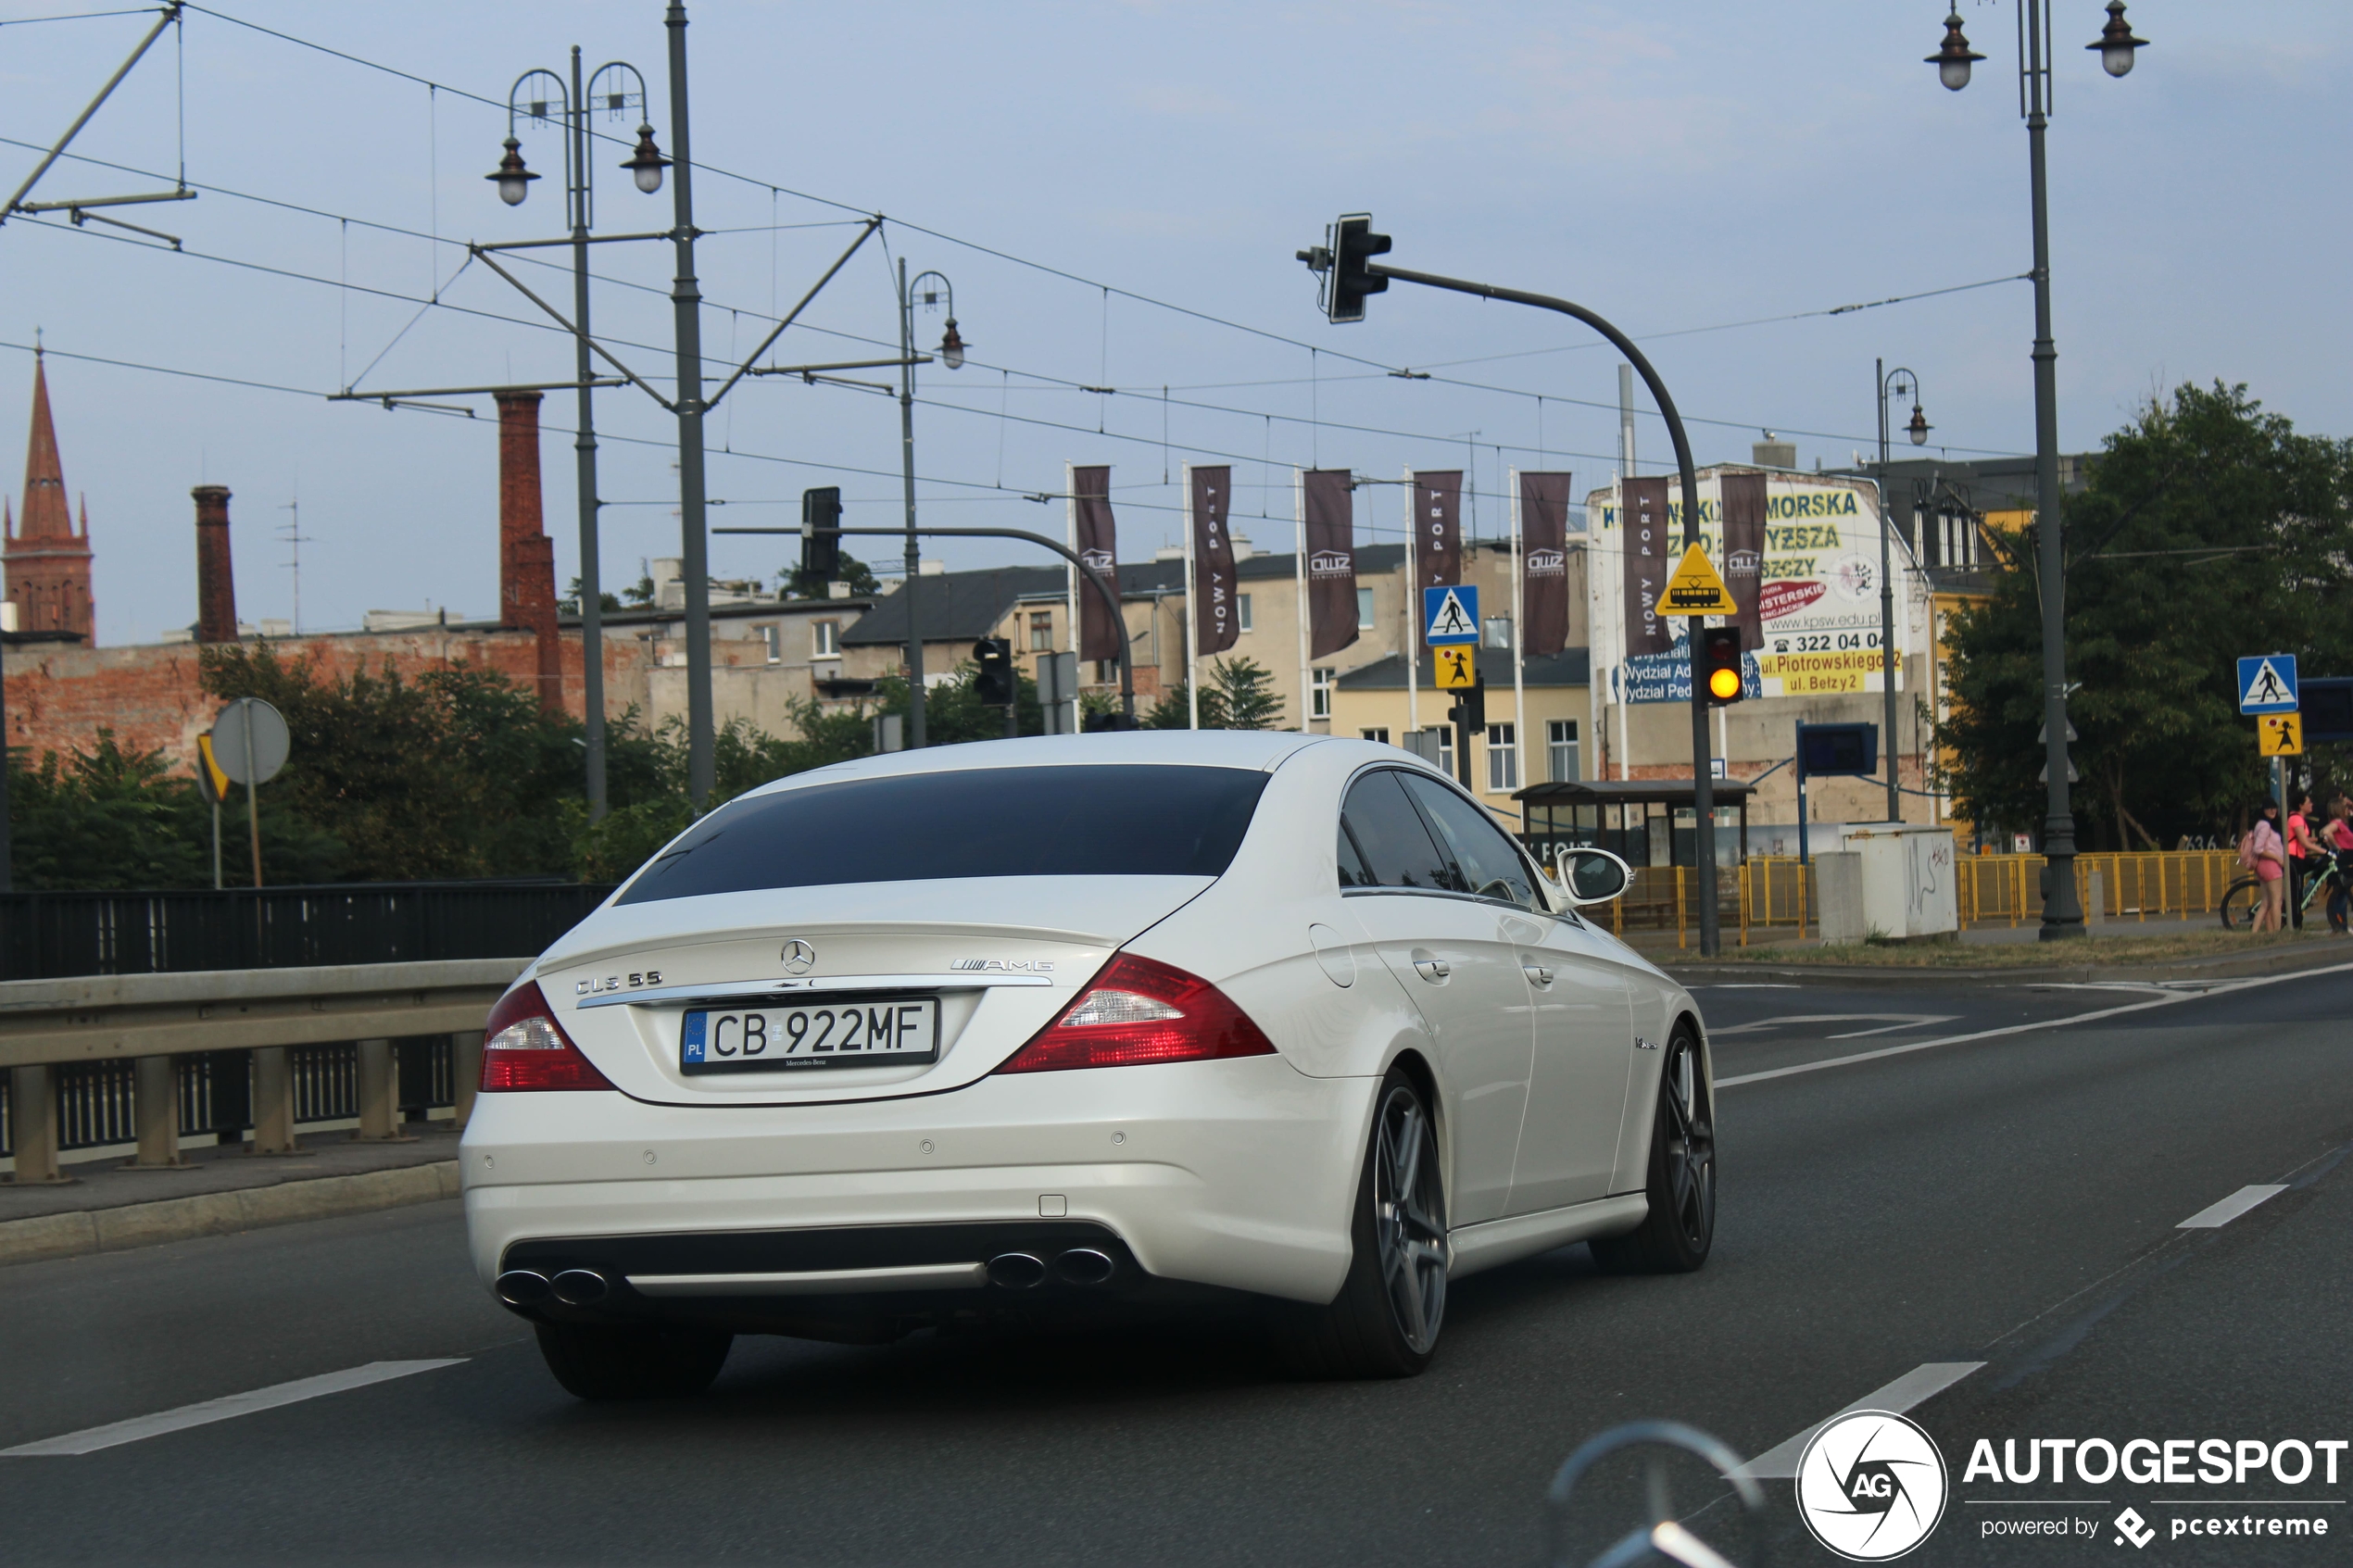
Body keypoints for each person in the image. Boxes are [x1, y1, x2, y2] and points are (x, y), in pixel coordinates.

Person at [2246, 800, 2286, 934]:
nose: (2273, 810)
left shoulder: (2260, 825)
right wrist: (2277, 858)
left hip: (2262, 866)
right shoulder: (2265, 826)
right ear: (2263, 810)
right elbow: (2258, 848)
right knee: (2276, 901)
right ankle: (2276, 931)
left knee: (2265, 902)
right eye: (2269, 808)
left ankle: (2254, 932)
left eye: (2274, 807)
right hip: (2271, 865)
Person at [2286, 790, 2324, 930]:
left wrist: (2319, 840)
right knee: (2296, 892)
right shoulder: (2296, 819)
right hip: (2293, 858)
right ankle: (2296, 924)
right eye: (2309, 802)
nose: (2311, 804)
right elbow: (2304, 843)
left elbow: (2303, 838)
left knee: (2321, 865)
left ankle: (2309, 889)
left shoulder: (2299, 819)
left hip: (2300, 856)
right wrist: (2326, 851)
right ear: (2301, 805)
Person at [2327, 797, 2353, 935]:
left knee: (2344, 893)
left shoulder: (2342, 823)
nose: (2347, 810)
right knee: (2342, 894)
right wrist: (2336, 846)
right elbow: (2325, 832)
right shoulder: (2337, 823)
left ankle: (2342, 924)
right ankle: (2340, 925)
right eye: (2345, 808)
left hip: (2347, 858)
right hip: (2345, 859)